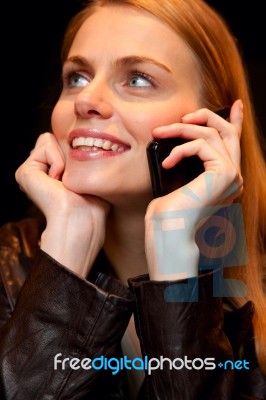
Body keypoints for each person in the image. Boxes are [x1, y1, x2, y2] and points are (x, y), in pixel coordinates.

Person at [0, 0, 266, 398]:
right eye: (76, 77)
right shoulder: (6, 266)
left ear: (215, 122)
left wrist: (175, 251)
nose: (86, 99)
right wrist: (65, 249)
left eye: (138, 79)